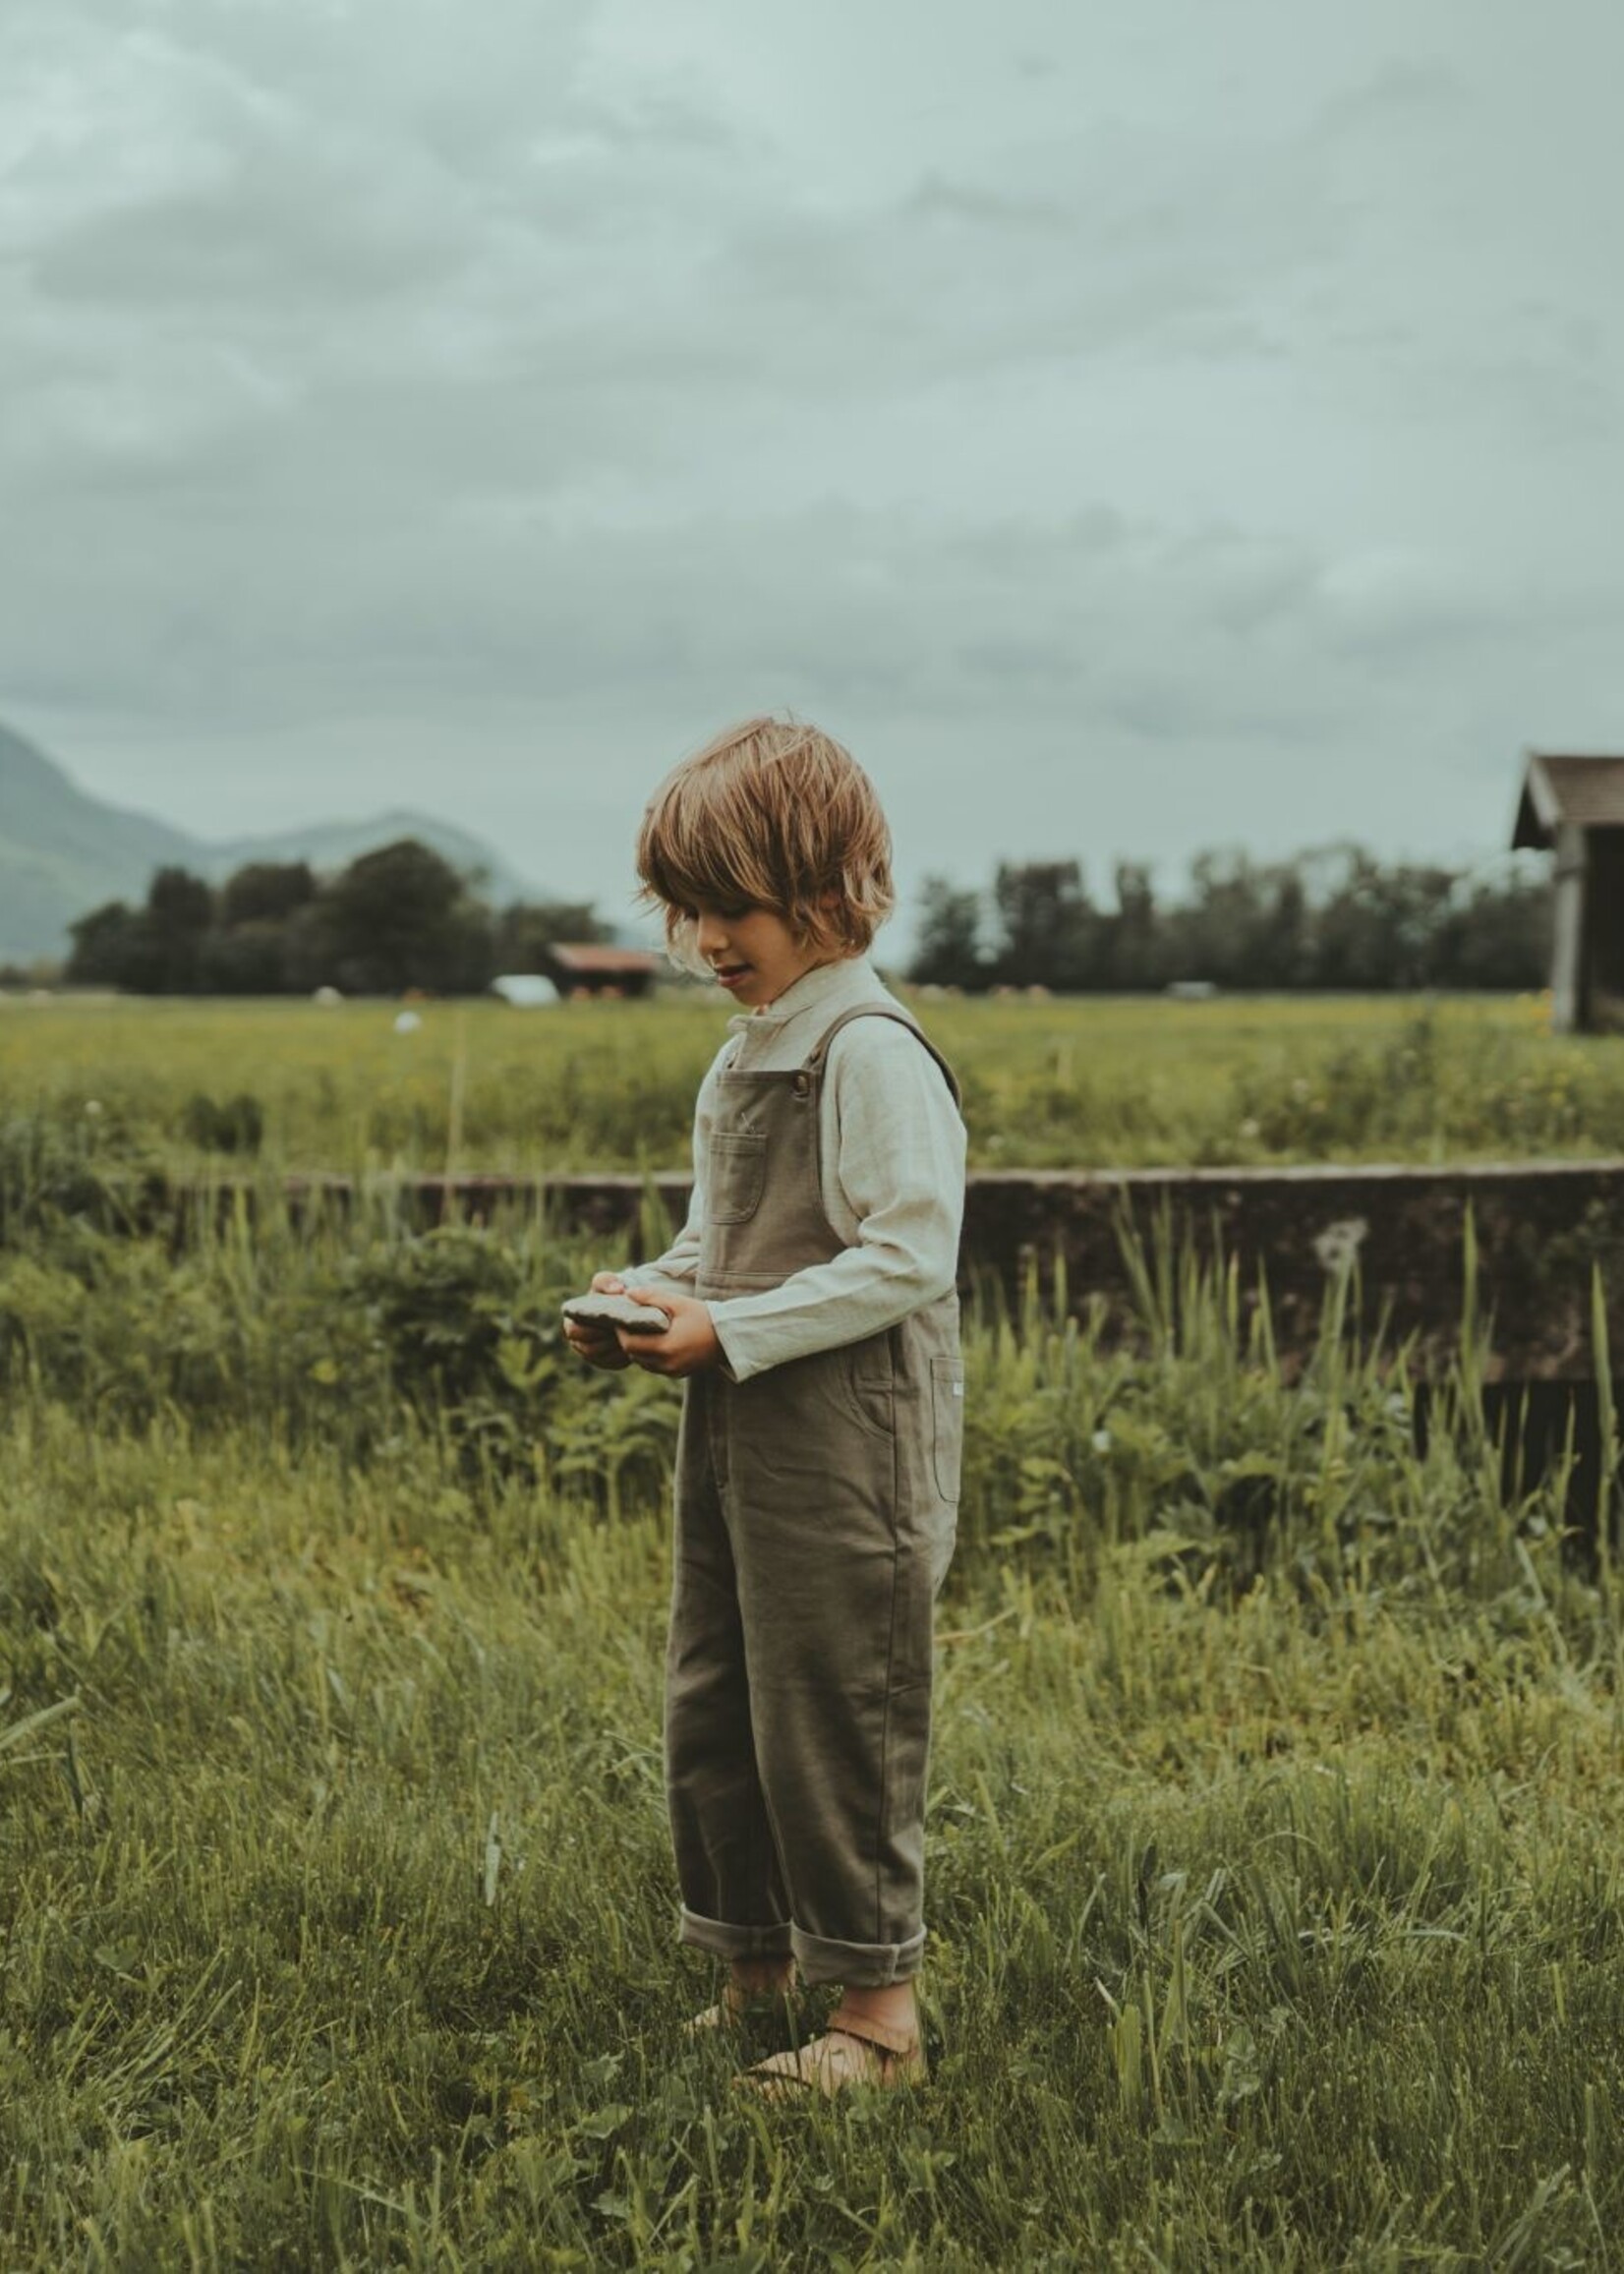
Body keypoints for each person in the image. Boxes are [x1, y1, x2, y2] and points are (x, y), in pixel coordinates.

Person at [563, 715, 966, 2096]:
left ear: (825, 887)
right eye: (684, 909)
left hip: (847, 1443)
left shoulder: (868, 1049)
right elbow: (720, 1237)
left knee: (837, 1707)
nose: (703, 938)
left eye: (730, 905)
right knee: (720, 1691)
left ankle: (878, 2019)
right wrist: (653, 1291)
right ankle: (755, 1968)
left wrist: (726, 1324)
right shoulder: (745, 1051)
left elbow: (909, 1251)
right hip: (739, 1426)